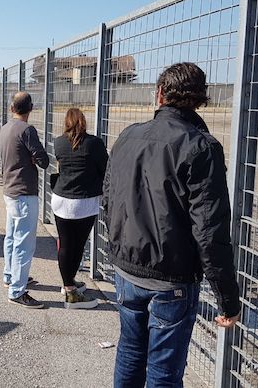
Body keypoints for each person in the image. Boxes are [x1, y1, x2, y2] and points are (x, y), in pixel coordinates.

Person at [102, 62, 240, 387]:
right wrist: (228, 299)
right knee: (163, 374)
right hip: (170, 279)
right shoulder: (201, 146)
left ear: (160, 94)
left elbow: (108, 197)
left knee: (130, 353)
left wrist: (118, 247)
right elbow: (210, 231)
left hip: (127, 268)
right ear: (200, 99)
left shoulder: (128, 135)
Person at [52, 108, 107, 309]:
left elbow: (61, 166)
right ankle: (70, 292)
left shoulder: (59, 142)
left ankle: (69, 283)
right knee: (77, 245)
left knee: (66, 245)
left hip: (61, 199)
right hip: (84, 202)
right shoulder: (94, 143)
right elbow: (105, 169)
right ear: (83, 121)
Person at [0, 91, 49, 308]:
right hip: (24, 191)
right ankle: (17, 290)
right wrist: (32, 156)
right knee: (24, 243)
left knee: (11, 236)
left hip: (9, 189)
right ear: (30, 109)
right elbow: (43, 160)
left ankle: (10, 275)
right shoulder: (27, 129)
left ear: (12, 108)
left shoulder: (6, 127)